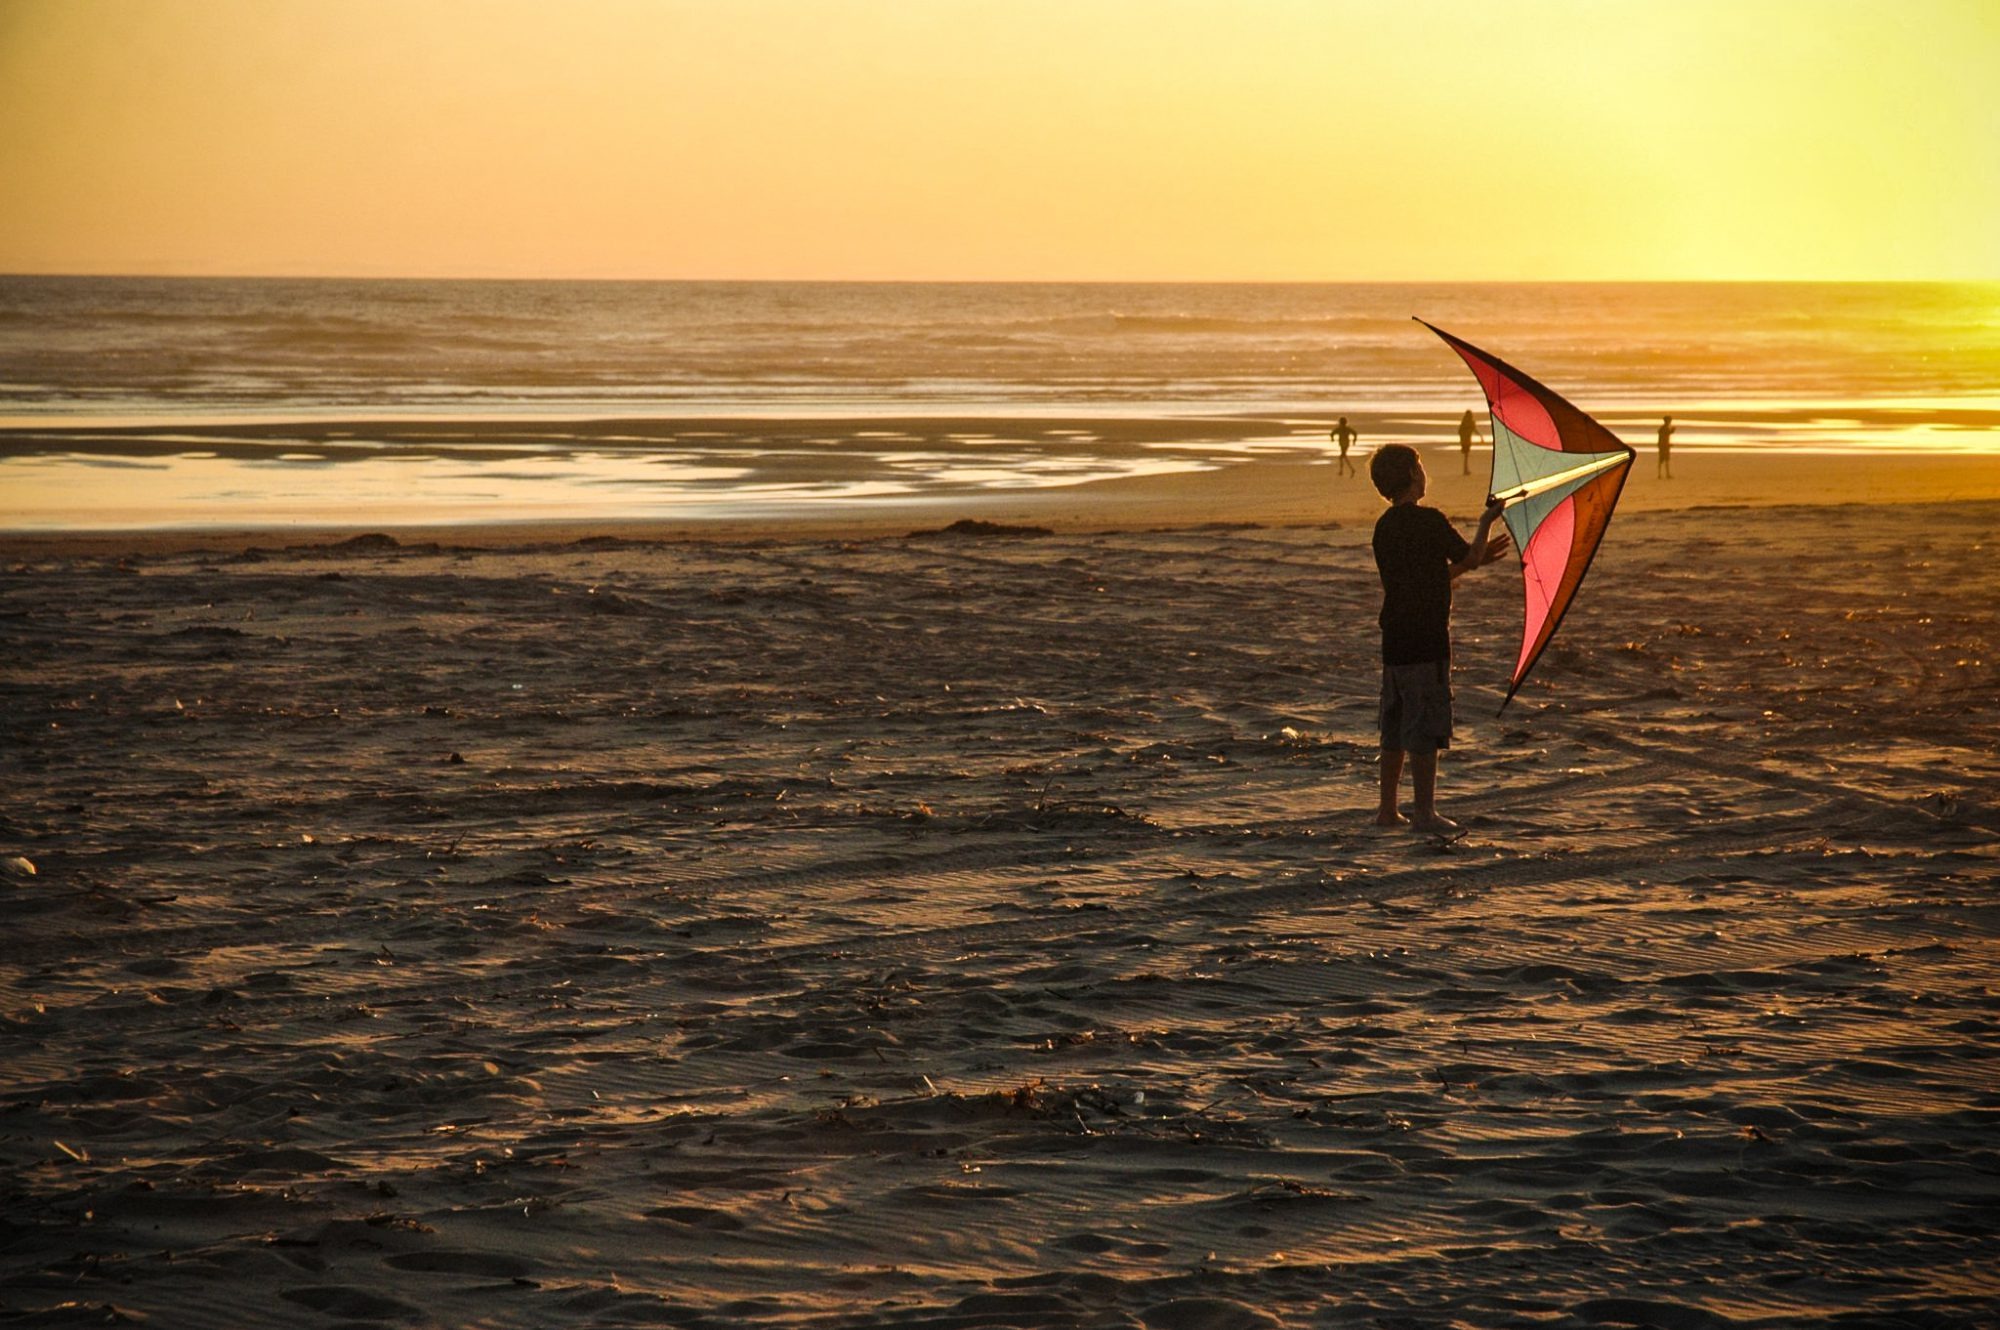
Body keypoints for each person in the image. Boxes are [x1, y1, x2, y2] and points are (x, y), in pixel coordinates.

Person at [1368, 444, 1511, 834]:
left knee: (1394, 725)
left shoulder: (1384, 526)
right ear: (1413, 477)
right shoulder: (1429, 521)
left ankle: (1387, 810)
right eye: (1420, 466)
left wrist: (1469, 561)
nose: (1423, 472)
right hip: (1426, 639)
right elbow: (1469, 555)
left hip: (1395, 639)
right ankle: (1425, 813)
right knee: (1425, 725)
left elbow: (1426, 577)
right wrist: (1487, 522)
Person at [1457, 409, 1480, 475]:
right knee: (1466, 456)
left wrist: (1461, 439)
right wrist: (1480, 436)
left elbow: (1459, 431)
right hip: (1467, 441)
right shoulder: (1471, 422)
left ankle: (1465, 469)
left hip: (1463, 441)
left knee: (1466, 456)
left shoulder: (1464, 422)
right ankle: (1465, 470)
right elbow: (1474, 430)